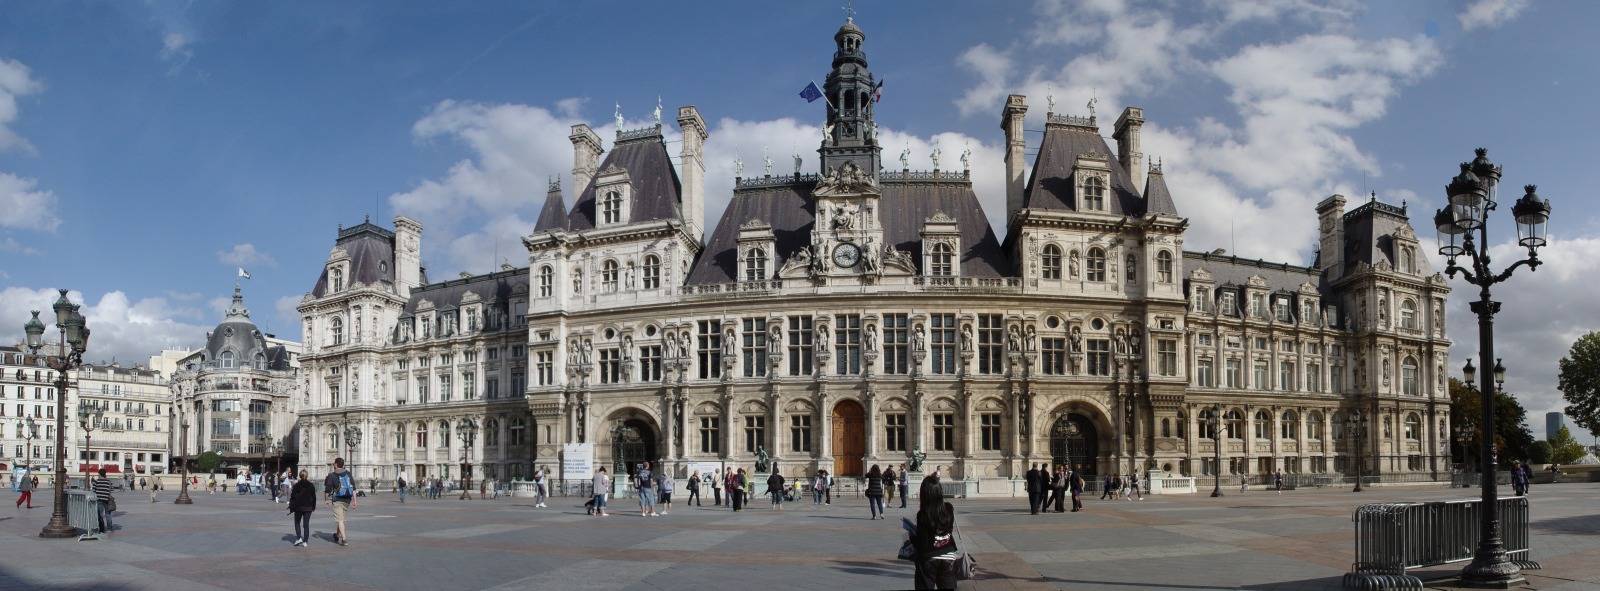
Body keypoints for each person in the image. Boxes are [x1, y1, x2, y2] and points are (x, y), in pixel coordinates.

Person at [912, 475, 959, 590]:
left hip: (929, 556)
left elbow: (922, 543)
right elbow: (949, 530)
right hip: (948, 555)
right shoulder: (948, 509)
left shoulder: (923, 514)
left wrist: (912, 538)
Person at [326, 458, 356, 546]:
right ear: (343, 464)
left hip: (338, 499)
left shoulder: (332, 475)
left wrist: (327, 499)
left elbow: (328, 489)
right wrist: (355, 500)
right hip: (347, 499)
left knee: (340, 520)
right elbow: (353, 488)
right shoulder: (348, 473)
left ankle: (344, 539)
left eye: (334, 464)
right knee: (341, 519)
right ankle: (337, 535)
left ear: (335, 464)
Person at [288, 469, 316, 547]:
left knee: (297, 522)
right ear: (307, 476)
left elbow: (292, 497)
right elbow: (314, 497)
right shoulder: (311, 485)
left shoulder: (296, 485)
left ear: (300, 476)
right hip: (308, 507)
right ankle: (305, 541)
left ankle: (299, 537)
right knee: (306, 524)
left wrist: (291, 507)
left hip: (298, 507)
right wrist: (313, 506)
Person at [92, 468, 115, 533]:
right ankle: (109, 528)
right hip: (107, 499)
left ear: (99, 474)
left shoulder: (97, 481)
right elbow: (112, 489)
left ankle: (102, 529)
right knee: (108, 514)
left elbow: (93, 490)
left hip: (99, 499)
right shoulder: (108, 481)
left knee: (100, 514)